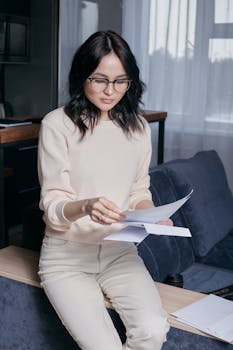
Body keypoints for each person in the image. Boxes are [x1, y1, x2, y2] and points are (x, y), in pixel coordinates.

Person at [38, 30, 172, 350]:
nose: (110, 91)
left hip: (120, 252)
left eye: (120, 81)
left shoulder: (138, 127)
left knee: (153, 331)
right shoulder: (58, 124)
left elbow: (139, 190)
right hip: (67, 258)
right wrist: (85, 206)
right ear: (82, 76)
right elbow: (53, 202)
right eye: (100, 80)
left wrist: (152, 215)